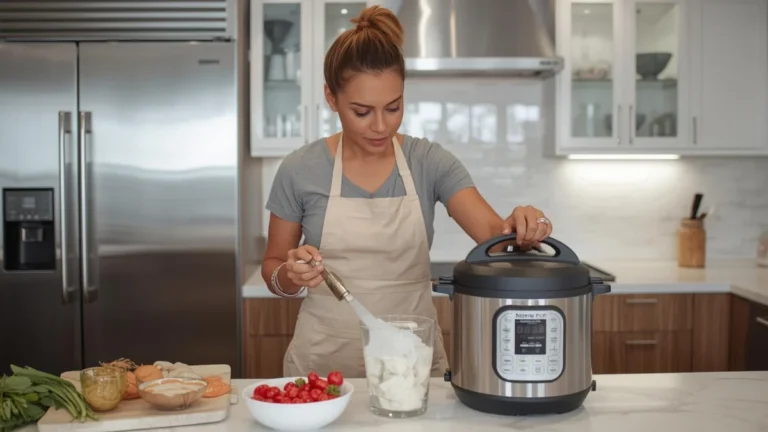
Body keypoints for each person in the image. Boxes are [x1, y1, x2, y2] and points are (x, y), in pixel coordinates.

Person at [261, 5, 553, 379]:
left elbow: (497, 242)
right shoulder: (300, 168)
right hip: (322, 367)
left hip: (410, 365)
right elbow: (273, 267)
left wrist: (525, 227)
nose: (380, 126)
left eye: (393, 107)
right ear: (331, 98)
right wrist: (291, 275)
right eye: (362, 111)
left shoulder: (428, 161)